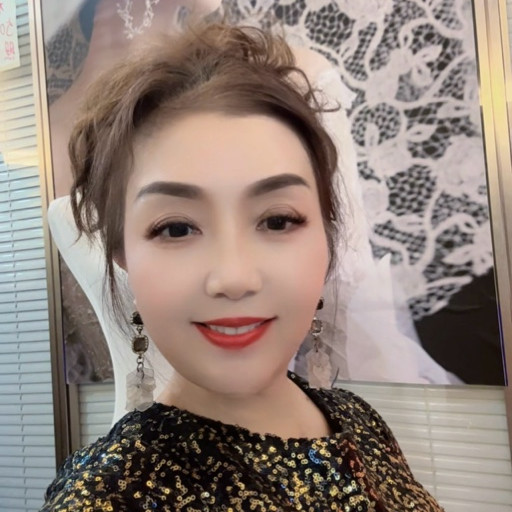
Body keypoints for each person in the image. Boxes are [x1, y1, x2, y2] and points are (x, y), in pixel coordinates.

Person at [41, 22, 444, 511]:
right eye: (176, 228)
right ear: (121, 251)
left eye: (277, 220)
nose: (233, 277)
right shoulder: (110, 496)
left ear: (327, 234)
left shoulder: (358, 420)